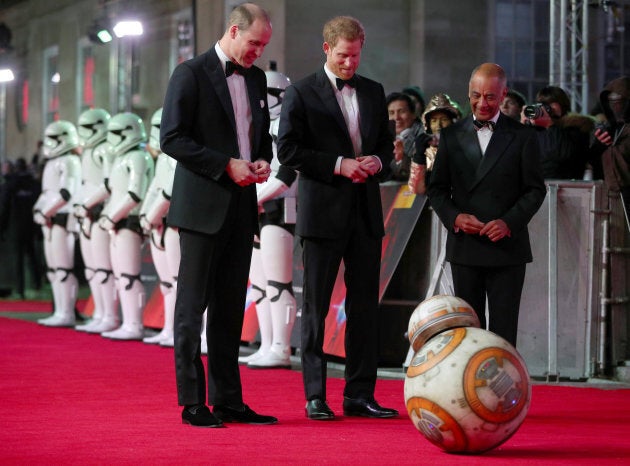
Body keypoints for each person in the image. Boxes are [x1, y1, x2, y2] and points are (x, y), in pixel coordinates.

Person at [160, 2, 276, 428]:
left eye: (263, 46)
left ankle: (228, 400)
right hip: (201, 207)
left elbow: (256, 136)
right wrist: (226, 164)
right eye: (253, 43)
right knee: (192, 308)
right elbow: (171, 138)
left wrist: (261, 161)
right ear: (232, 31)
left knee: (230, 308)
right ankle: (193, 402)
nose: (257, 53)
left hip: (242, 207)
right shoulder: (190, 73)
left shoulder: (258, 78)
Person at [278, 15, 398, 421]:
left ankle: (360, 394)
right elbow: (288, 152)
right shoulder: (302, 93)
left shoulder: (374, 91)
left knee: (365, 307)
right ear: (327, 49)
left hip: (365, 213)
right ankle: (315, 395)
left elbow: (386, 144)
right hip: (322, 214)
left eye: (356, 56)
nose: (350, 64)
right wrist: (339, 164)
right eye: (344, 56)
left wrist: (377, 160)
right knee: (315, 307)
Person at [427, 63, 546, 347]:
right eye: (475, 95)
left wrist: (509, 223)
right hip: (466, 247)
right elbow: (437, 189)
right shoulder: (452, 135)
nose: (482, 103)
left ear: (503, 94)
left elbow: (535, 190)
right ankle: (469, 390)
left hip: (507, 249)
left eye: (490, 96)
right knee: (469, 331)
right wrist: (455, 218)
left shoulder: (523, 136)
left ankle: (505, 391)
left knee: (504, 332)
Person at [239, 69, 298, 369]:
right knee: (261, 285)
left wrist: (255, 197)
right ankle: (268, 343)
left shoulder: (287, 127)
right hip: (262, 209)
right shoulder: (262, 128)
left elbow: (287, 176)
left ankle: (281, 346)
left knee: (277, 284)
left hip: (278, 211)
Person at [98, 112, 155, 341]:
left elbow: (135, 193)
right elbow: (118, 193)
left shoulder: (138, 157)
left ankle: (134, 323)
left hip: (129, 220)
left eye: (115, 133)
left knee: (130, 275)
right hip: (118, 220)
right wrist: (109, 216)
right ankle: (128, 321)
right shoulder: (124, 158)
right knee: (122, 276)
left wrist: (111, 216)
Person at [73, 108, 120, 334]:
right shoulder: (90, 151)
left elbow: (108, 184)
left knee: (103, 269)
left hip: (100, 212)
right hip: (88, 213)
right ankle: (101, 313)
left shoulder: (105, 150)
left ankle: (109, 315)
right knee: (92, 270)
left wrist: (86, 204)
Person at [33, 121, 82, 327]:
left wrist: (44, 211)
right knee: (54, 270)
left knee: (63, 269)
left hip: (63, 218)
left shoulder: (70, 161)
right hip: (51, 219)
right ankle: (60, 310)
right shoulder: (54, 162)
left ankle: (67, 312)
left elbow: (66, 193)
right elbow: (48, 193)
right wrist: (39, 210)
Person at [525, 85, 595, 180]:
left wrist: (549, 123)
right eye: (543, 104)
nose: (546, 108)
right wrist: (523, 125)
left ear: (562, 104)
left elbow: (560, 154)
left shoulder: (578, 127)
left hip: (568, 188)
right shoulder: (536, 130)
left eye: (551, 103)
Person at [0, 157, 42, 299]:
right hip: (31, 224)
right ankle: (37, 284)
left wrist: (2, 228)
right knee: (32, 255)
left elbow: (4, 207)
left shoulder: (11, 185)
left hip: (15, 226)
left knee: (18, 258)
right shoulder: (34, 184)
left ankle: (20, 288)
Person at [591, 76, 630, 218]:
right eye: (612, 102)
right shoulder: (607, 129)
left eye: (620, 102)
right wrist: (599, 145)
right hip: (607, 194)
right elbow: (593, 161)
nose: (617, 107)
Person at [408, 93, 461, 195]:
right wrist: (419, 157)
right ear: (428, 125)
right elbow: (416, 190)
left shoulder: (464, 146)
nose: (439, 125)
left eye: (444, 119)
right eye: (434, 120)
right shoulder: (426, 151)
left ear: (453, 121)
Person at [386, 92, 424, 181]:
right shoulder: (381, 138)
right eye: (391, 113)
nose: (396, 117)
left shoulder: (424, 137)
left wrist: (402, 158)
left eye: (402, 112)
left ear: (413, 114)